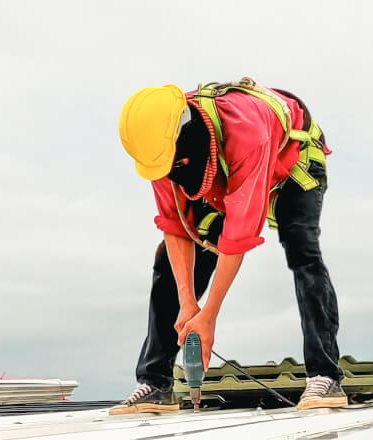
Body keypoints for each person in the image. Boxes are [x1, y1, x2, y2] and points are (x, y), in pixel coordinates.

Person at [110, 78, 347, 415]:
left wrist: (208, 317)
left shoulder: (246, 133)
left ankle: (325, 376)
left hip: (293, 156)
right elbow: (176, 227)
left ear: (184, 134)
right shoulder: (158, 151)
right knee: (169, 260)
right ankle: (155, 383)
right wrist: (188, 304)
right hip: (216, 165)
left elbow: (237, 237)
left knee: (302, 249)